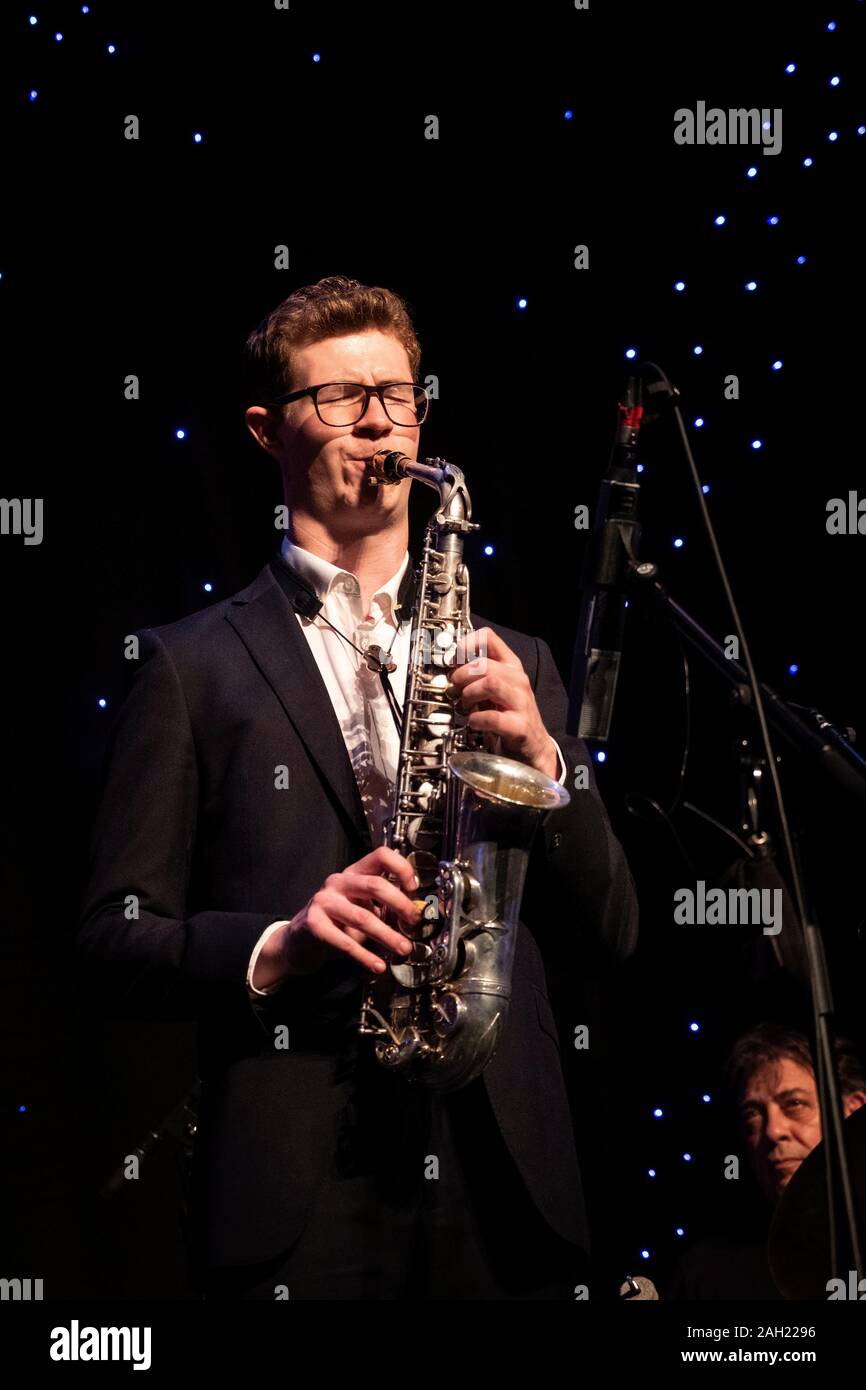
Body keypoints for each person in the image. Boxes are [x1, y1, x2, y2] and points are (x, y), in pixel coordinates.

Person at [76, 275, 639, 1300]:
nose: (379, 417)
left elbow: (614, 929)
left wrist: (548, 767)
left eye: (398, 392)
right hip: (301, 1185)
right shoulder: (186, 667)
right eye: (340, 396)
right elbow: (115, 940)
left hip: (503, 1177)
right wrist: (278, 942)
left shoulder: (515, 659)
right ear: (266, 430)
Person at [665, 1021, 866, 1300]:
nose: (772, 1130)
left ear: (853, 1111)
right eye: (753, 1114)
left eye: (794, 1104)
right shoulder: (706, 1276)